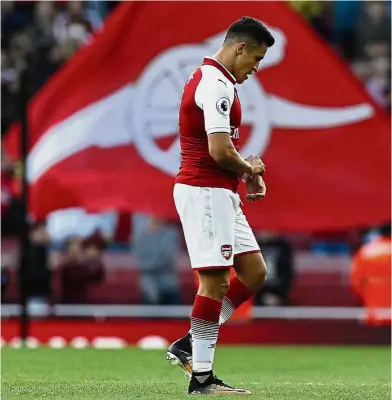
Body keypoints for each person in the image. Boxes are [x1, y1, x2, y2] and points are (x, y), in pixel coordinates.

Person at [167, 16, 275, 395]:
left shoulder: (216, 81)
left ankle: (189, 344)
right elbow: (218, 150)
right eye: (256, 58)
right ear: (239, 47)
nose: (256, 68)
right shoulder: (215, 85)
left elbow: (221, 147)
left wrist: (243, 173)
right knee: (215, 282)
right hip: (205, 190)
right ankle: (202, 378)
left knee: (254, 273)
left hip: (220, 191)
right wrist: (250, 170)